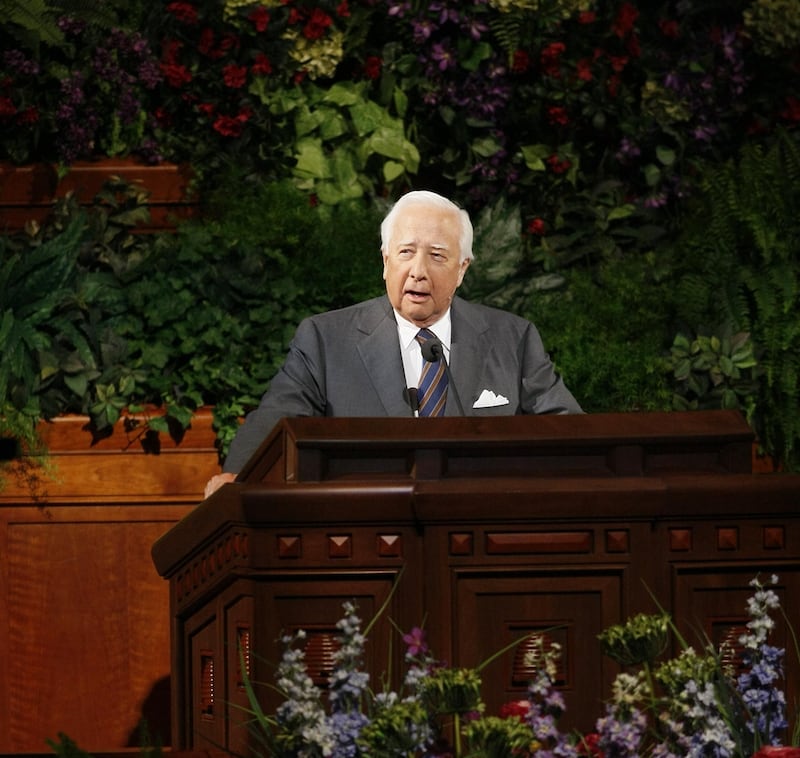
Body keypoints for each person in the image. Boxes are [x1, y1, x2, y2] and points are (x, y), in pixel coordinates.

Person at [204, 190, 582, 496]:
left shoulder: (512, 339)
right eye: (405, 252)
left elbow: (570, 434)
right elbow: (276, 418)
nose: (417, 271)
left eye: (436, 256)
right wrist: (237, 475)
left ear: (462, 268)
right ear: (386, 261)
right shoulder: (325, 340)